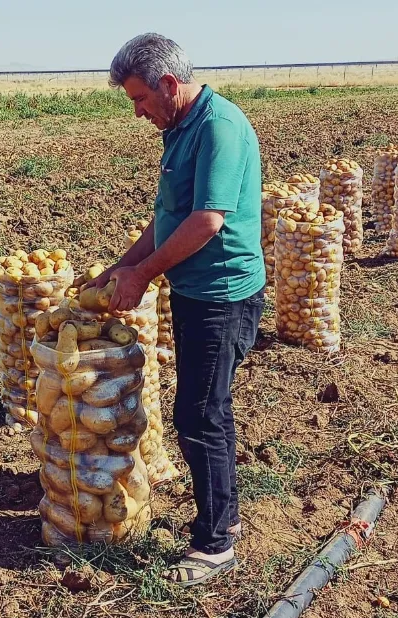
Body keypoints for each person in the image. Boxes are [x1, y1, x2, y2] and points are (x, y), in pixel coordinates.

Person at [88, 33, 265, 586]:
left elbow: (207, 220)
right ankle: (218, 520)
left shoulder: (219, 127)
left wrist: (143, 275)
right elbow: (168, 218)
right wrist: (122, 266)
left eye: (141, 99)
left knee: (202, 415)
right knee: (198, 409)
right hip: (194, 291)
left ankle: (217, 541)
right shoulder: (181, 127)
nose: (138, 113)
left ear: (168, 84)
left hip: (223, 295)